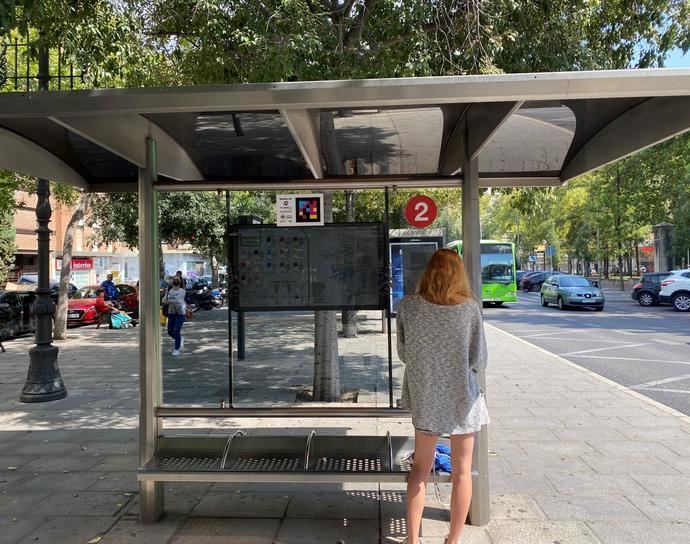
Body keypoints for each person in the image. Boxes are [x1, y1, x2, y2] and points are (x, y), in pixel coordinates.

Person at [396, 249, 489, 544]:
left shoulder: (408, 306)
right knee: (462, 471)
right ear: (458, 274)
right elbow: (479, 359)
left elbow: (403, 353)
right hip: (463, 396)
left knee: (420, 469)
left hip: (426, 396)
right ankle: (453, 540)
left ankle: (412, 540)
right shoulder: (469, 308)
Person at [162, 275, 186, 356]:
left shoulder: (183, 291)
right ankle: (180, 339)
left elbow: (178, 301)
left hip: (180, 313)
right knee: (170, 332)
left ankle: (176, 349)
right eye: (174, 279)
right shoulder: (169, 290)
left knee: (176, 331)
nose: (175, 280)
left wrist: (169, 301)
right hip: (171, 313)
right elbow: (164, 300)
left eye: (177, 279)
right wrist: (167, 299)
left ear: (180, 281)